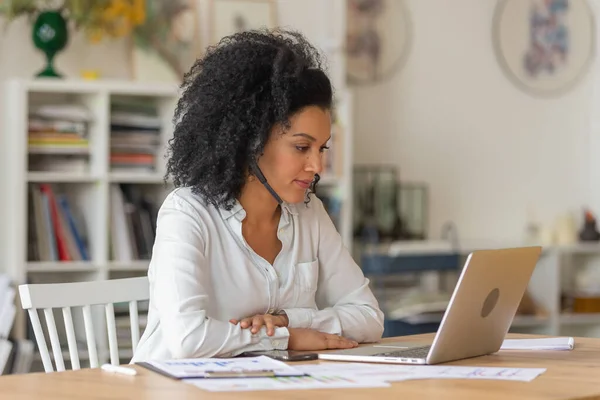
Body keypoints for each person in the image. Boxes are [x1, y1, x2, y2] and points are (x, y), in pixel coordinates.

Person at [131, 29, 384, 362]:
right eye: (301, 147)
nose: (317, 165)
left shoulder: (309, 215)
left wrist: (289, 320)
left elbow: (369, 317)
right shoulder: (187, 213)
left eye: (322, 148)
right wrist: (287, 338)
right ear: (251, 140)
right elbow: (189, 339)